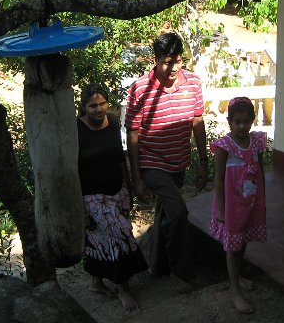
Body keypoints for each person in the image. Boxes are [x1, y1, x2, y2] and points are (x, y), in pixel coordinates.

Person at [124, 31, 209, 294]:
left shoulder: (193, 83)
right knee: (179, 212)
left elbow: (197, 120)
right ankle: (180, 272)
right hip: (152, 163)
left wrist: (203, 160)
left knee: (165, 214)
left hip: (179, 162)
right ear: (156, 60)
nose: (173, 68)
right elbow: (132, 133)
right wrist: (136, 177)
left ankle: (157, 265)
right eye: (166, 62)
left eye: (178, 61)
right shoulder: (140, 88)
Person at [77, 83, 148, 311]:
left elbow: (119, 157)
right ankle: (123, 288)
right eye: (93, 106)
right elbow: (72, 170)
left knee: (102, 237)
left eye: (102, 104)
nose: (99, 109)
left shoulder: (113, 122)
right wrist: (80, 207)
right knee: (118, 236)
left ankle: (96, 282)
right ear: (84, 107)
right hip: (92, 195)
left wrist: (128, 188)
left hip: (117, 189)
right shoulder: (76, 130)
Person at [210, 96, 267, 314]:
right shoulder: (224, 146)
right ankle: (234, 290)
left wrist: (262, 200)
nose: (242, 126)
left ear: (253, 120)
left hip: (251, 204)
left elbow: (260, 172)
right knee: (233, 247)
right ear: (229, 121)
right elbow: (218, 180)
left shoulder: (257, 142)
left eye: (247, 121)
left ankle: (238, 276)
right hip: (232, 208)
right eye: (237, 122)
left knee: (242, 242)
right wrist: (222, 209)